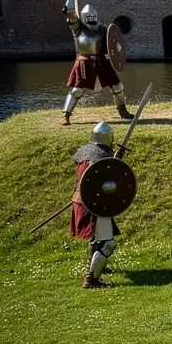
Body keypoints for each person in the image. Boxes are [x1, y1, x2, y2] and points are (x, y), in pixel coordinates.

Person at [61, 0, 132, 124]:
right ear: (82, 17)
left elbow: (111, 44)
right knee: (77, 90)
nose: (91, 18)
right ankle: (66, 115)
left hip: (102, 61)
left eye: (93, 16)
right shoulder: (78, 28)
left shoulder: (103, 30)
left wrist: (117, 46)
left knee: (117, 86)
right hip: (84, 62)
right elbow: (67, 10)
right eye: (88, 16)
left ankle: (123, 111)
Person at [69, 122, 127, 289]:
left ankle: (95, 267)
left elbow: (95, 175)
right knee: (107, 243)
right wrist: (116, 164)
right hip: (97, 204)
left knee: (95, 239)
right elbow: (108, 182)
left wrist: (116, 161)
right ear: (109, 137)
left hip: (81, 200)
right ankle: (91, 279)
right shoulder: (103, 156)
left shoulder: (85, 152)